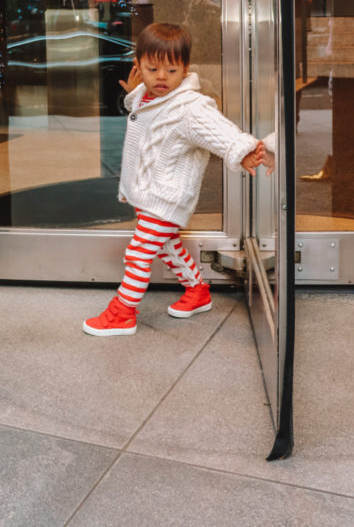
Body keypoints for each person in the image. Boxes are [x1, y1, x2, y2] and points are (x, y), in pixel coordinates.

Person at [83, 22, 265, 336]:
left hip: (167, 197)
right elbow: (146, 116)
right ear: (138, 65)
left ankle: (122, 313)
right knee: (168, 247)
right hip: (147, 194)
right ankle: (198, 292)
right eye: (152, 69)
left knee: (138, 252)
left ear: (185, 69)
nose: (162, 78)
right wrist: (133, 97)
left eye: (171, 70)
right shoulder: (148, 94)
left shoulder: (189, 108)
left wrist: (243, 149)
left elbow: (220, 132)